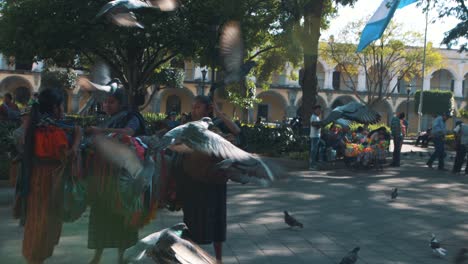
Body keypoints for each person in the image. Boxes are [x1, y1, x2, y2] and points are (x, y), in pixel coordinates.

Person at [172, 95, 240, 263]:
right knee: (193, 223)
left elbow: (236, 131)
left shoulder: (216, 123)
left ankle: (218, 259)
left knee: (217, 224)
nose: (193, 110)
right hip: (193, 180)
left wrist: (218, 112)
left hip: (215, 180)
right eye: (193, 106)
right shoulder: (187, 123)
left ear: (208, 109)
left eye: (198, 107)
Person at [86, 88, 146, 264]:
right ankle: (97, 255)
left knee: (122, 215)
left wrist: (100, 130)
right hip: (104, 176)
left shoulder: (132, 117)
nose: (107, 105)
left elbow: (128, 133)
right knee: (99, 215)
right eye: (105, 102)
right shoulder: (107, 120)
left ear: (121, 103)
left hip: (123, 179)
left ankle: (122, 256)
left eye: (111, 102)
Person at [21, 89, 81, 264]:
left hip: (35, 178)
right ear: (55, 108)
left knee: (36, 219)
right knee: (46, 222)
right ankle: (36, 258)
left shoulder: (33, 126)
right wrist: (77, 138)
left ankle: (32, 256)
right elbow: (68, 157)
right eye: (61, 106)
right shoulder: (53, 131)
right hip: (50, 181)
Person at [309, 105, 322, 170]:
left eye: (320, 110)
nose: (319, 111)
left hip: (317, 136)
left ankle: (315, 164)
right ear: (315, 110)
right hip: (314, 136)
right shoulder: (313, 117)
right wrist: (320, 125)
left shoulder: (317, 117)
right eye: (318, 110)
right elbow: (313, 124)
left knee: (316, 150)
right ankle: (311, 165)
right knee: (313, 151)